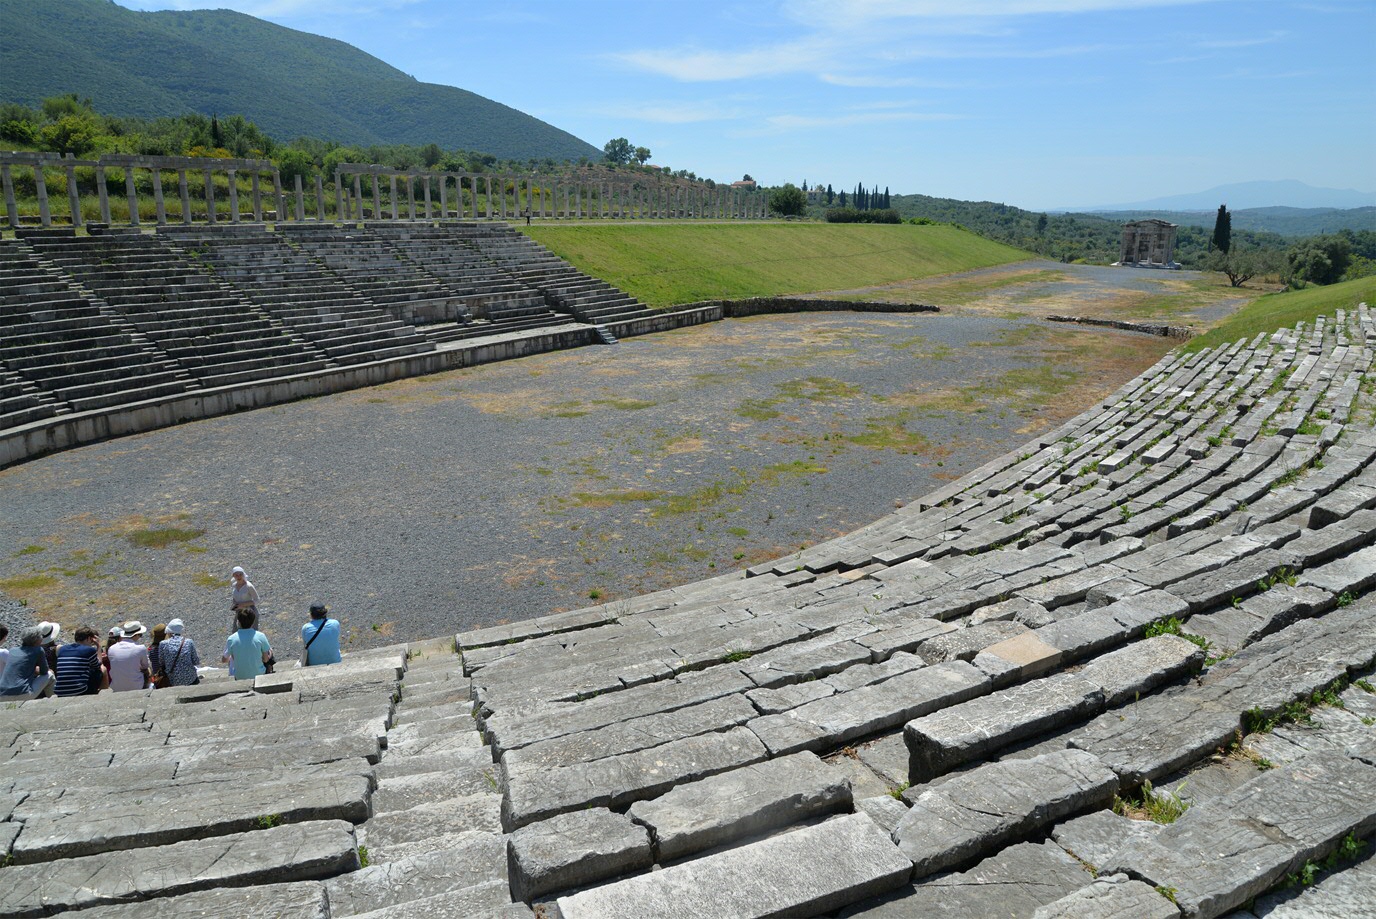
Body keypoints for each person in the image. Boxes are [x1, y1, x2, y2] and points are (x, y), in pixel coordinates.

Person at [0, 627, 55, 699]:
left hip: (2, 694)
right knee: (50, 675)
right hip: (23, 693)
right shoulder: (38, 649)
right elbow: (44, 671)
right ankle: (55, 701)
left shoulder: (13, 650)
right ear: (37, 640)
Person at [55, 626, 107, 696]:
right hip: (79, 690)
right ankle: (104, 695)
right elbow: (98, 665)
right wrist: (98, 646)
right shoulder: (89, 650)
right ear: (89, 638)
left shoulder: (62, 649)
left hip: (59, 691)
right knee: (103, 669)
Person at [222, 608, 271, 681]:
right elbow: (266, 659)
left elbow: (224, 660)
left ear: (238, 622)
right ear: (253, 621)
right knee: (269, 650)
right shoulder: (261, 636)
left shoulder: (231, 639)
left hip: (239, 676)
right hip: (258, 674)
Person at [107, 620, 153, 692]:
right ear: (136, 635)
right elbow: (145, 666)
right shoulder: (140, 648)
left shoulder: (111, 648)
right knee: (148, 670)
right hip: (136, 686)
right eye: (140, 634)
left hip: (116, 687)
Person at [157, 619, 201, 687]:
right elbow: (196, 661)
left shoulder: (163, 644)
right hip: (190, 679)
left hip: (172, 680)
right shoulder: (189, 642)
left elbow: (161, 662)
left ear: (169, 632)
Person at [300, 603, 341, 667]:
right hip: (335, 661)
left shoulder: (305, 628)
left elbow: (305, 643)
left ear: (311, 615)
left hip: (313, 664)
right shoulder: (335, 623)